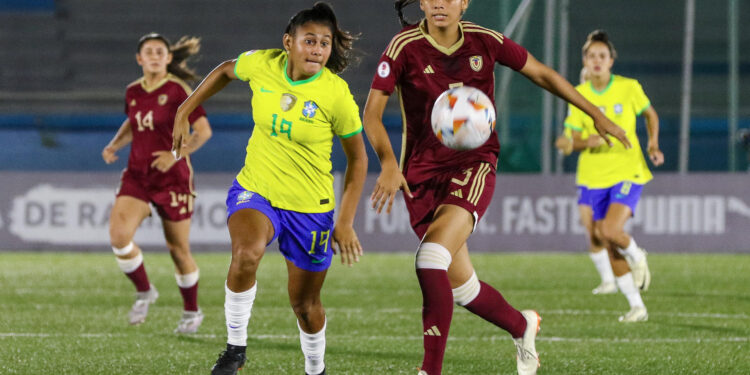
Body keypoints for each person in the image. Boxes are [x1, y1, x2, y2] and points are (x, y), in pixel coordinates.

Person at [363, 1, 631, 375]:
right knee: (462, 289)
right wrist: (389, 162)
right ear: (421, 2)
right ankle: (523, 327)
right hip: (420, 177)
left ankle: (429, 371)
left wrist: (596, 114)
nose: (440, 3)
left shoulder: (484, 40)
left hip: (473, 166)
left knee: (430, 260)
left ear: (465, 2)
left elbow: (542, 73)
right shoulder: (403, 46)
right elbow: (371, 113)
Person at [172, 3, 367, 375]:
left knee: (305, 306)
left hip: (311, 208)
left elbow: (358, 160)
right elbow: (226, 70)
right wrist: (186, 108)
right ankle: (235, 350)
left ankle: (315, 368)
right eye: (309, 41)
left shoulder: (336, 94)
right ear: (288, 42)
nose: (317, 49)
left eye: (324, 43)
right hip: (256, 190)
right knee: (246, 253)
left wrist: (344, 221)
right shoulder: (263, 64)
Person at [101, 33, 212, 333]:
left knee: (178, 250)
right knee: (118, 236)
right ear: (139, 59)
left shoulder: (179, 91)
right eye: (147, 51)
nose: (153, 55)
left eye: (159, 51)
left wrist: (175, 154)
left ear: (167, 59)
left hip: (173, 180)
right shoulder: (133, 91)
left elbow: (202, 132)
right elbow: (133, 123)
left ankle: (191, 312)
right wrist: (114, 145)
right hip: (138, 175)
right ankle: (145, 290)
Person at [555, 30, 663, 322]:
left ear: (611, 61)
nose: (597, 61)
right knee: (602, 236)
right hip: (595, 177)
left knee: (611, 231)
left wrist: (652, 143)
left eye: (602, 56)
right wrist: (582, 143)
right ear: (585, 62)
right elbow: (570, 140)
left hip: (628, 170)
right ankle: (636, 306)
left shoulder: (629, 88)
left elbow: (650, 115)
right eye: (592, 56)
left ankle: (639, 256)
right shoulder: (579, 96)